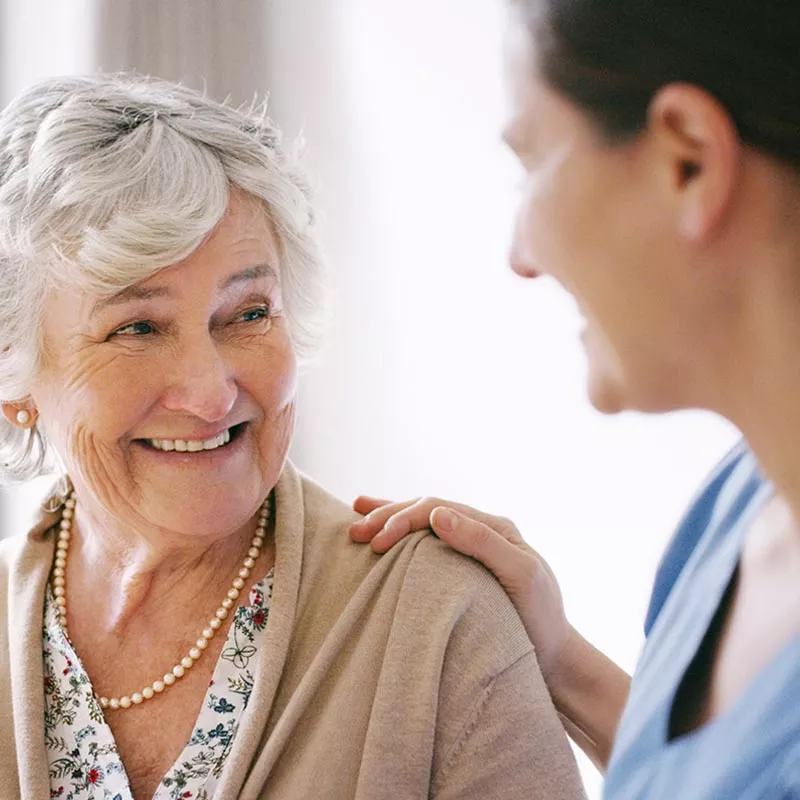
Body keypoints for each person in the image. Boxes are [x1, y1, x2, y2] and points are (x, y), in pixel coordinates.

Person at [0, 75, 586, 799]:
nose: (211, 393)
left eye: (247, 313)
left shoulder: (435, 621)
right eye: (139, 328)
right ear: (15, 374)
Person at [350, 0, 800, 797]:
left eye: (533, 165)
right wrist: (560, 662)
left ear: (687, 159)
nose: (521, 255)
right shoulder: (731, 513)